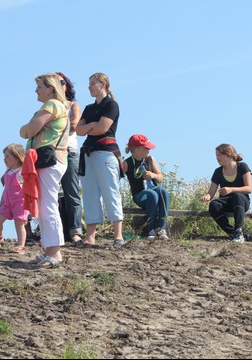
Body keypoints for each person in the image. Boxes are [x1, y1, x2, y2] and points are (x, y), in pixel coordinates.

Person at [19, 73, 69, 268]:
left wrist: (26, 129)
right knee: (45, 205)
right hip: (48, 160)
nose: (36, 91)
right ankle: (49, 249)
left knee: (48, 205)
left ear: (50, 88)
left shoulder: (52, 105)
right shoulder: (55, 106)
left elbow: (29, 130)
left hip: (50, 161)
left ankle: (55, 252)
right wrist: (27, 129)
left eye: (39, 86)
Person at [76, 72, 124, 246]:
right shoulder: (89, 108)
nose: (89, 87)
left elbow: (103, 128)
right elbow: (78, 130)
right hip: (89, 154)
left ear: (103, 84)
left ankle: (118, 235)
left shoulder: (111, 105)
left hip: (106, 153)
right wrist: (92, 125)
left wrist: (88, 127)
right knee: (89, 194)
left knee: (110, 191)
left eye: (92, 83)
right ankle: (90, 236)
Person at [200, 144, 252, 243]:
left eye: (219, 155)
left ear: (228, 155)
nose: (217, 158)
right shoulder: (218, 172)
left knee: (237, 196)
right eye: (216, 156)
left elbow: (249, 189)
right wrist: (206, 197)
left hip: (241, 201)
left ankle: (238, 229)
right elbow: (211, 193)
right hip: (226, 202)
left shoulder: (242, 167)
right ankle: (234, 233)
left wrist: (231, 189)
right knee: (214, 204)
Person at [123, 134, 170, 240]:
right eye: (146, 148)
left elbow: (160, 177)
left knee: (163, 192)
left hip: (153, 189)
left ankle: (161, 228)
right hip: (139, 195)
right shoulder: (127, 163)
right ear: (137, 149)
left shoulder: (150, 159)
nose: (149, 150)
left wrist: (153, 175)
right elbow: (116, 177)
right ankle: (150, 230)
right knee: (152, 194)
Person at [56, 72, 84, 245]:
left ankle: (75, 231)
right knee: (52, 194)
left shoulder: (73, 105)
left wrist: (53, 128)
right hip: (52, 152)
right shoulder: (49, 107)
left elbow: (74, 125)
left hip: (69, 150)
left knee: (72, 193)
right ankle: (56, 231)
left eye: (61, 82)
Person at [0, 144, 30, 253]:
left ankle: (20, 245)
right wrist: (2, 199)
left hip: (20, 203)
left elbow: (29, 184)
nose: (4, 159)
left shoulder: (22, 171)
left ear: (17, 156)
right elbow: (6, 188)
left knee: (19, 224)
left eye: (7, 156)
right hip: (7, 203)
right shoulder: (8, 172)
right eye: (4, 156)